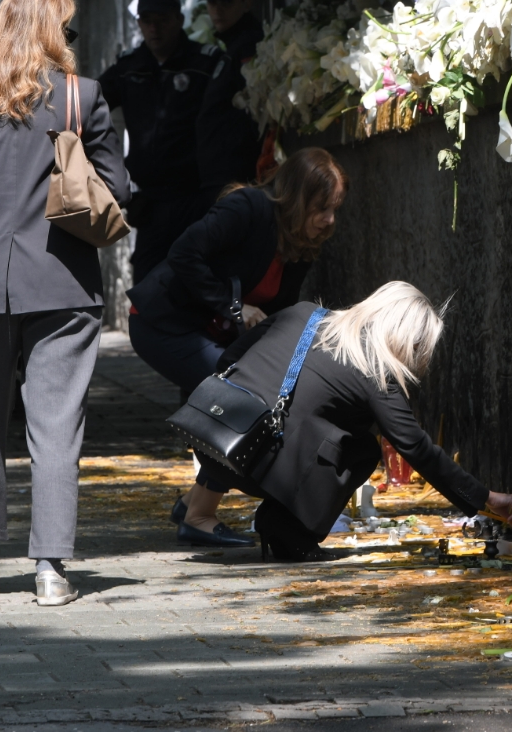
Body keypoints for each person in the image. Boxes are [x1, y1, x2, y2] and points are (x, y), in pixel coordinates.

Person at [0, 0, 129, 607]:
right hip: (63, 280)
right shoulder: (82, 97)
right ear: (52, 31)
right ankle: (50, 569)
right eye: (66, 26)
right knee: (56, 426)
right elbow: (115, 185)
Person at [205, 281, 512, 562]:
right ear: (406, 338)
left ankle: (279, 522)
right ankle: (290, 530)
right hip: (254, 460)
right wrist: (485, 497)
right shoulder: (375, 372)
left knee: (332, 427)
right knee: (362, 450)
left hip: (217, 439)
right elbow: (416, 448)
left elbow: (229, 359)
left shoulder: (303, 313)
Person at [127, 147, 347, 547]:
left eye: (334, 209)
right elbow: (184, 254)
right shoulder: (248, 208)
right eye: (321, 208)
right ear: (297, 198)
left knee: (256, 393)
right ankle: (199, 517)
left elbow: (282, 313)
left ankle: (193, 502)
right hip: (161, 321)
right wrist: (234, 305)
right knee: (237, 403)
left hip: (213, 329)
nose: (329, 221)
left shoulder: (299, 239)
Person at [97, 0, 221, 283]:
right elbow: (88, 107)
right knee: (146, 285)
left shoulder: (204, 64)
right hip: (149, 202)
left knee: (197, 279)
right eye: (146, 20)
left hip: (195, 196)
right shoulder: (129, 68)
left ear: (179, 19)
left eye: (162, 20)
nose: (154, 28)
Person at [194, 0, 264, 198]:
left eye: (225, 1)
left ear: (246, 3)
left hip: (236, 177)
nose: (217, 10)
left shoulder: (250, 46)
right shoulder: (233, 47)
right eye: (212, 3)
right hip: (221, 177)